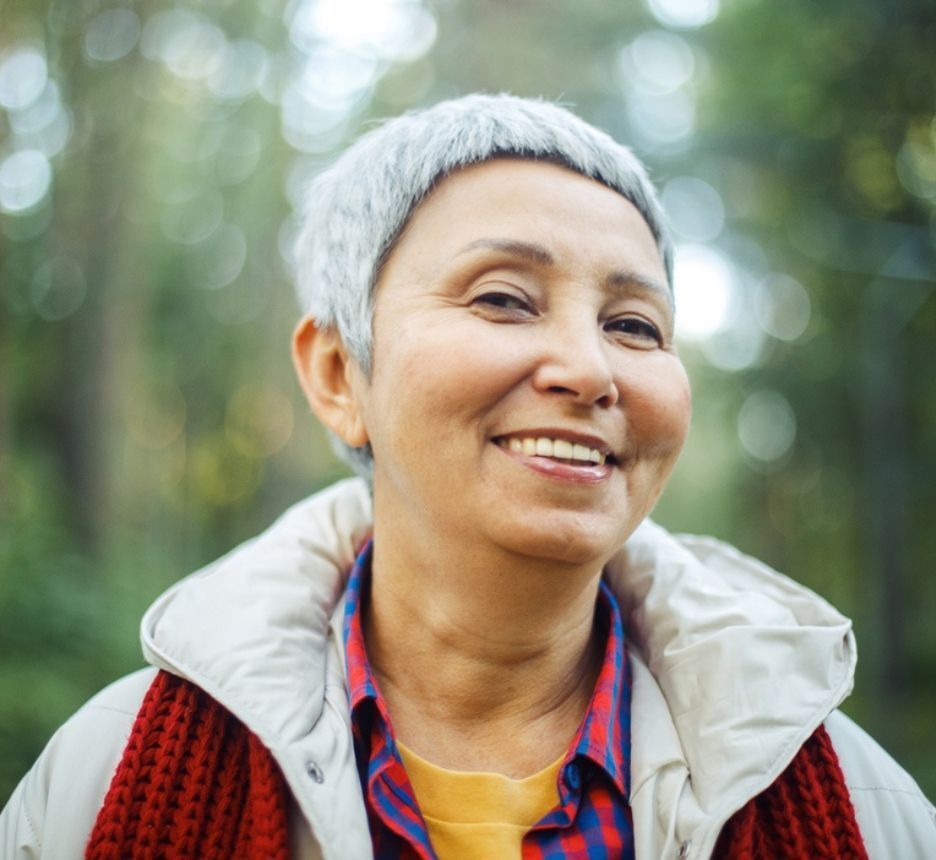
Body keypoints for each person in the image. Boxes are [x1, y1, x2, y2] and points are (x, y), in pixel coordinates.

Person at [2, 94, 934, 860]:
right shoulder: (101, 785)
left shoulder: (860, 806)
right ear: (338, 375)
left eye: (634, 325)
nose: (590, 370)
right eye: (502, 299)